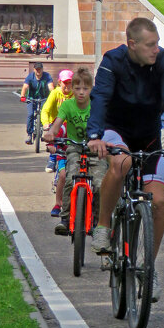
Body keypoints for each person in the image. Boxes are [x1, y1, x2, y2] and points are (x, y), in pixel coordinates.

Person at [86, 17, 164, 302]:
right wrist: (95, 135)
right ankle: (103, 225)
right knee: (121, 164)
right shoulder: (113, 60)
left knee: (158, 202)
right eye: (150, 44)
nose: (156, 49)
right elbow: (100, 97)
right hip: (115, 130)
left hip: (148, 136)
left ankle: (149, 267)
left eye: (157, 43)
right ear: (131, 44)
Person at [44, 67, 107, 235]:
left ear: (91, 89)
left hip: (95, 150)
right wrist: (51, 133)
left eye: (85, 89)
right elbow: (57, 124)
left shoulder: (96, 105)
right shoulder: (67, 105)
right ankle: (65, 219)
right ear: (71, 89)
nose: (81, 92)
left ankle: (96, 220)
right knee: (70, 179)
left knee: (100, 184)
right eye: (77, 88)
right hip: (75, 148)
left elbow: (106, 125)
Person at [41, 69, 74, 212]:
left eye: (70, 83)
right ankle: (59, 203)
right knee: (63, 174)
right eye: (64, 83)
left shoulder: (77, 97)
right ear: (59, 82)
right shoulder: (55, 93)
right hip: (58, 127)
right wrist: (46, 124)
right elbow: (46, 110)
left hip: (73, 132)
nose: (67, 87)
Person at [20, 63, 54, 144]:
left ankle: (43, 129)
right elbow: (25, 87)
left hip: (44, 98)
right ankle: (29, 134)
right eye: (36, 69)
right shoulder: (30, 77)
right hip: (31, 99)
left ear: (42, 69)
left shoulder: (47, 76)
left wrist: (53, 95)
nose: (38, 71)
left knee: (44, 113)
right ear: (34, 69)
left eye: (40, 69)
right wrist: (22, 96)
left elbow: (51, 87)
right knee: (30, 114)